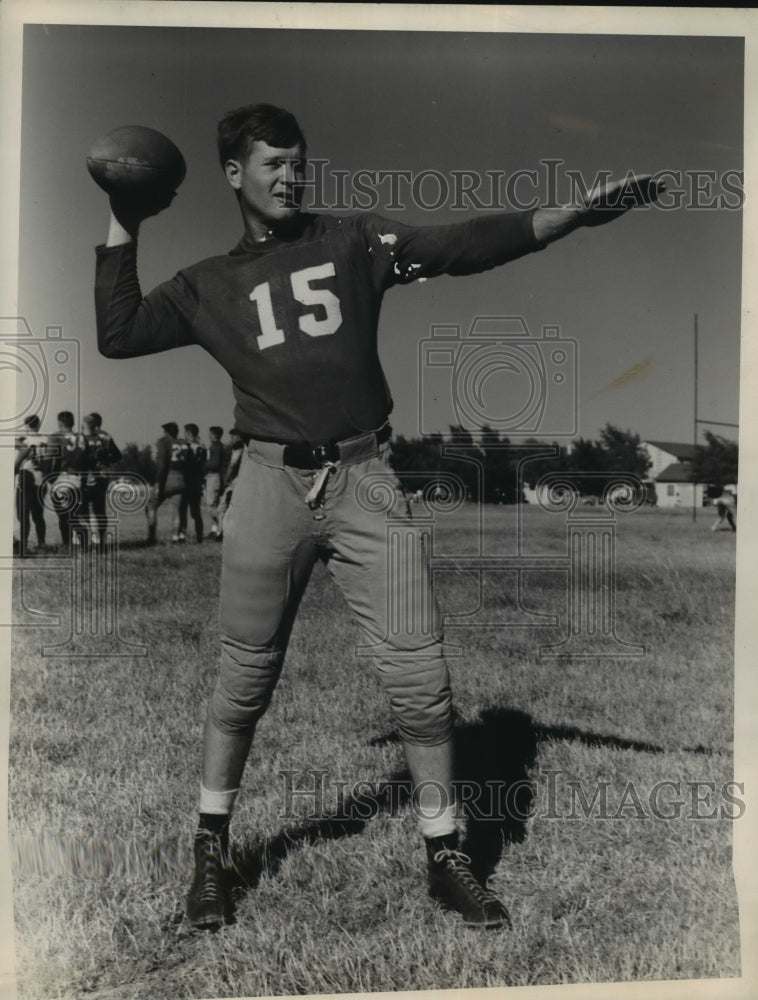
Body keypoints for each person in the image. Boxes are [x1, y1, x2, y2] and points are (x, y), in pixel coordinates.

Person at [94, 103, 665, 929]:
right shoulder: (205, 286)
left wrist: (567, 217)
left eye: (297, 161)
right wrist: (124, 217)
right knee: (244, 678)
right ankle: (211, 855)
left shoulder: (356, 240)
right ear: (233, 175)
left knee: (421, 682)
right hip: (267, 485)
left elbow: (461, 246)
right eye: (272, 164)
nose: (290, 176)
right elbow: (116, 334)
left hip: (364, 477)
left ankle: (444, 852)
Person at [46, 410, 88, 551]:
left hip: (63, 478)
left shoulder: (55, 436)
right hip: (78, 478)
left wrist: (50, 479)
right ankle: (79, 540)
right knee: (71, 513)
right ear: (73, 422)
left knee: (63, 515)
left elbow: (51, 460)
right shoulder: (82, 437)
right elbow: (88, 460)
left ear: (60, 422)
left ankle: (68, 544)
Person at [80, 412, 122, 548]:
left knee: (85, 507)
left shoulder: (82, 437)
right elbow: (117, 455)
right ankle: (101, 539)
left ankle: (90, 539)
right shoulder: (105, 436)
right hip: (103, 474)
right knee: (100, 507)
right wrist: (105, 459)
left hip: (87, 474)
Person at [146, 421, 189, 544]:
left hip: (167, 477)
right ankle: (175, 537)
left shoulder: (163, 442)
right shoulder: (184, 443)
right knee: (176, 511)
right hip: (181, 478)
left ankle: (152, 537)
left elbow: (162, 464)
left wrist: (159, 483)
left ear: (166, 432)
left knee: (151, 506)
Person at [14, 413, 48, 557]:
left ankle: (24, 543)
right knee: (38, 515)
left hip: (26, 478)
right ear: (38, 425)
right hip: (41, 478)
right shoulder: (46, 439)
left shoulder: (23, 440)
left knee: (23, 514)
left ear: (27, 426)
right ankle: (41, 542)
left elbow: (18, 459)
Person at [179, 422, 207, 543]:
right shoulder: (202, 447)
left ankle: (182, 535)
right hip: (197, 483)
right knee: (196, 512)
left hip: (186, 482)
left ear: (189, 433)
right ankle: (199, 536)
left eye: (185, 432)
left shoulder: (185, 447)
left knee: (183, 510)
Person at [215, 428, 244, 539]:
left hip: (233, 484)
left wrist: (226, 481)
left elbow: (232, 466)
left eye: (232, 437)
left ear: (237, 437)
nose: (231, 439)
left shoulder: (237, 449)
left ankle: (220, 532)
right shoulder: (248, 450)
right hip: (243, 483)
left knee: (221, 508)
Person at [205, 426, 226, 539]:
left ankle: (223, 528)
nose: (208, 436)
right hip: (217, 477)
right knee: (215, 504)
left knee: (211, 506)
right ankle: (215, 529)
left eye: (210, 433)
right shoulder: (219, 446)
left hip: (213, 476)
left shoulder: (216, 447)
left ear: (214, 434)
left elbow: (214, 464)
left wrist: (203, 465)